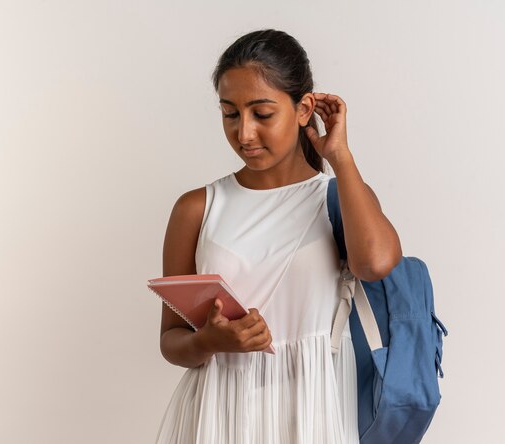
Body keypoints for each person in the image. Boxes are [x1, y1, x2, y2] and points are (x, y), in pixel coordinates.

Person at [156, 28, 402, 444]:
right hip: (218, 415)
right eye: (230, 113)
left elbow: (376, 264)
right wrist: (210, 342)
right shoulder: (197, 208)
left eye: (262, 113)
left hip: (311, 414)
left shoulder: (336, 198)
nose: (244, 133)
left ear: (304, 108)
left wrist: (339, 155)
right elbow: (170, 341)